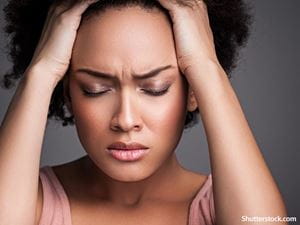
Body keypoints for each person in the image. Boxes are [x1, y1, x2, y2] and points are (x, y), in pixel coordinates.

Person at [0, 0, 288, 224]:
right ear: (68, 95)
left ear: (193, 92)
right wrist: (41, 72)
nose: (126, 121)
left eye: (155, 88)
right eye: (96, 89)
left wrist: (206, 67)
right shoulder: (30, 201)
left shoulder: (227, 207)